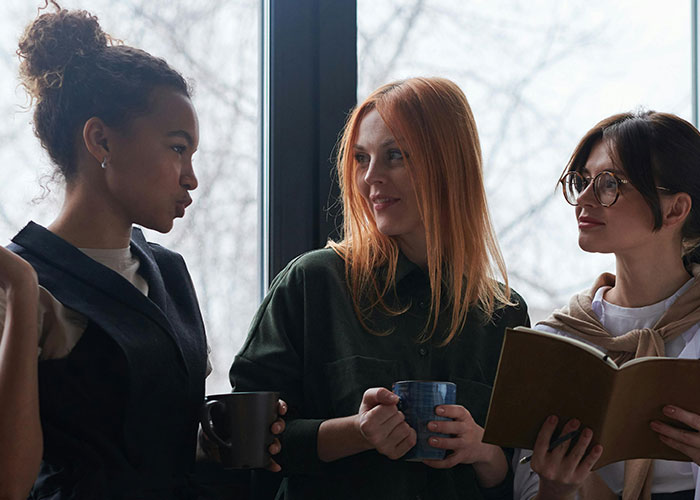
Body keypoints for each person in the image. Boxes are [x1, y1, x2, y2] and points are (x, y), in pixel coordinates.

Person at [0, 3, 284, 499]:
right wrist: (22, 293)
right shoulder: (20, 283)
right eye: (177, 148)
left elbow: (154, 443)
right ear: (100, 139)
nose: (191, 177)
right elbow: (9, 483)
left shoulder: (169, 272)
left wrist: (221, 440)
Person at [229, 76, 530, 500]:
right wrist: (357, 432)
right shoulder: (313, 283)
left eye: (394, 156)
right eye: (360, 158)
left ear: (449, 164)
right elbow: (246, 446)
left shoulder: (506, 313)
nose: (371, 177)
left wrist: (482, 451)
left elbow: (518, 480)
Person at [513, 111, 700, 500]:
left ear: (675, 210)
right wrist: (560, 486)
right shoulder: (557, 339)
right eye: (582, 182)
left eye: (609, 183)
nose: (582, 199)